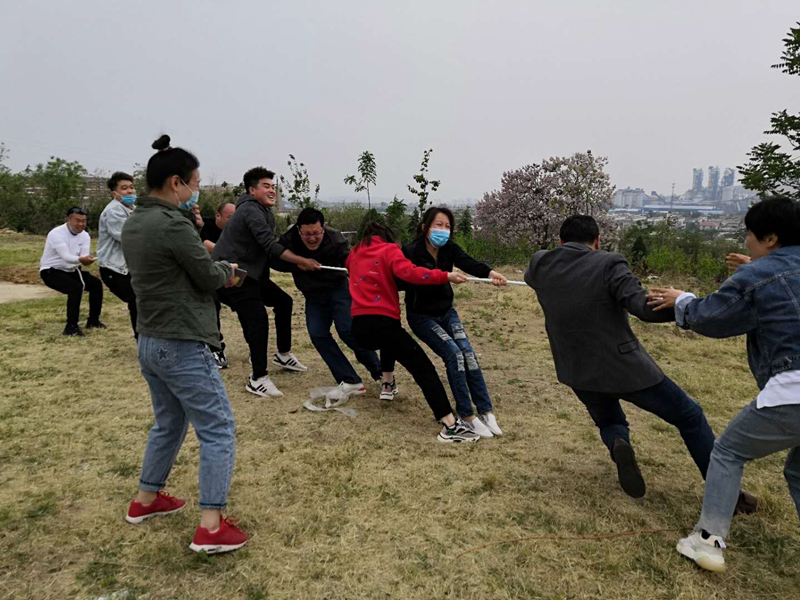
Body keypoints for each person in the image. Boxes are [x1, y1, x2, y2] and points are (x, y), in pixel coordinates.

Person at [524, 215, 758, 513]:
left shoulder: (540, 263)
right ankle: (729, 497)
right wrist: (684, 305)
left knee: (609, 420)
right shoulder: (608, 263)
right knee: (689, 416)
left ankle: (618, 443)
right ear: (597, 241)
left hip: (576, 368)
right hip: (624, 367)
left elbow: (534, 278)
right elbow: (642, 308)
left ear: (560, 241)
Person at [647, 196, 800, 573]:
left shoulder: (758, 275)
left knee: (728, 452)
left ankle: (708, 540)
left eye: (750, 234)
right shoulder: (766, 271)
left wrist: (681, 299)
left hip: (793, 392)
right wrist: (758, 269)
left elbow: (711, 317)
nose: (745, 240)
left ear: (770, 238)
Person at [121, 134, 247, 554]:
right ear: (176, 183)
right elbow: (207, 276)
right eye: (194, 183)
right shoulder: (173, 224)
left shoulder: (135, 221)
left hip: (149, 338)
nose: (196, 191)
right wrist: (229, 270)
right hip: (181, 342)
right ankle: (211, 527)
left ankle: (146, 499)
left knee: (170, 422)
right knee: (218, 428)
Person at [347, 221, 480, 443]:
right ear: (388, 236)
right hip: (383, 322)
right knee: (423, 369)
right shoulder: (389, 250)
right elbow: (411, 273)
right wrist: (445, 276)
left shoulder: (354, 253)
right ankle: (449, 426)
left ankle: (387, 383)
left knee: (391, 343)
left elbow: (356, 272)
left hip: (358, 327)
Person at [213, 167, 320, 397]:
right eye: (266, 186)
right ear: (252, 190)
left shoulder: (263, 211)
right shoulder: (250, 210)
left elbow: (269, 250)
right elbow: (270, 245)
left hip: (251, 275)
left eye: (273, 186)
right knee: (257, 319)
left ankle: (283, 354)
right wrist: (301, 261)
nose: (272, 190)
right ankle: (258, 378)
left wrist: (298, 261)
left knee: (283, 302)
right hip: (232, 274)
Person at [403, 207, 507, 437]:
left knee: (468, 353)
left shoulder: (449, 248)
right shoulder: (410, 251)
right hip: (421, 316)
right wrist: (444, 276)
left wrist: (491, 273)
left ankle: (485, 410)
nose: (444, 230)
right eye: (438, 225)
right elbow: (406, 277)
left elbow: (468, 262)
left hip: (447, 312)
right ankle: (466, 415)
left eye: (448, 226)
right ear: (425, 227)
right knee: (454, 355)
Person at [273, 207, 382, 395]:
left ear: (323, 228)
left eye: (316, 233)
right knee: (318, 334)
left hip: (338, 290)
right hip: (312, 295)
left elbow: (350, 262)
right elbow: (274, 260)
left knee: (348, 330)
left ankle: (380, 372)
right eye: (307, 234)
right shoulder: (289, 239)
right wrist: (298, 263)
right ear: (299, 230)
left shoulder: (336, 239)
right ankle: (349, 380)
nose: (312, 238)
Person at [39, 207, 104, 336]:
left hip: (72, 270)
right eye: (77, 220)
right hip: (51, 271)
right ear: (68, 220)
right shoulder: (56, 234)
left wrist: (86, 260)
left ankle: (93, 320)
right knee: (75, 288)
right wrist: (81, 259)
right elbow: (66, 257)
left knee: (96, 284)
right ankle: (71, 327)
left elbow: (83, 257)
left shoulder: (85, 235)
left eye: (84, 221)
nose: (81, 224)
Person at [97, 171, 138, 337]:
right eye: (124, 188)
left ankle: (147, 339)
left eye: (132, 187)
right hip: (114, 268)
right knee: (137, 301)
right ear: (115, 193)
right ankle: (142, 340)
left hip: (130, 267)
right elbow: (127, 237)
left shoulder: (134, 209)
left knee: (142, 302)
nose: (130, 191)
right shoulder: (113, 211)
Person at [200, 201, 236, 368]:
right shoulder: (204, 225)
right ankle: (216, 348)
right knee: (212, 305)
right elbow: (205, 244)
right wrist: (224, 253)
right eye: (229, 217)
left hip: (228, 276)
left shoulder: (236, 231)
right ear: (218, 216)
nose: (233, 221)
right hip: (207, 277)